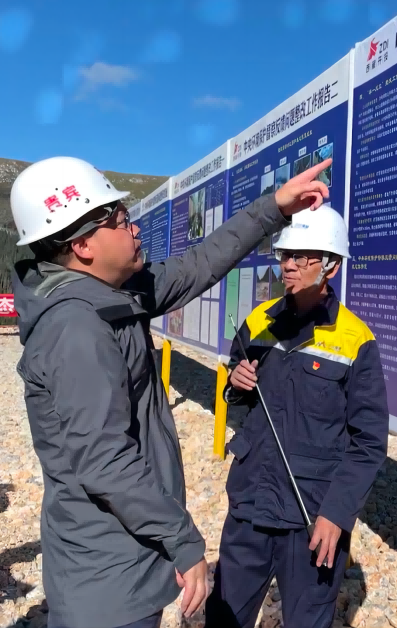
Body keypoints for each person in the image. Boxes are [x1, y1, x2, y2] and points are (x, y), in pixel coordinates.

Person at [10, 155, 332, 628]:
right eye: (121, 220)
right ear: (82, 245)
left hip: (123, 556)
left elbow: (195, 266)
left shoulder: (111, 294)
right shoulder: (76, 328)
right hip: (106, 580)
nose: (135, 229)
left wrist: (274, 208)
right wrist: (182, 540)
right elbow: (104, 459)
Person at [205, 206, 389, 628]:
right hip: (250, 504)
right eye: (285, 254)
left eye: (301, 256)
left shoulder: (356, 341)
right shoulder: (257, 321)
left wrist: (337, 514)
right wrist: (236, 382)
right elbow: (237, 393)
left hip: (312, 519)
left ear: (331, 266)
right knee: (224, 618)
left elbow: (368, 442)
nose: (288, 264)